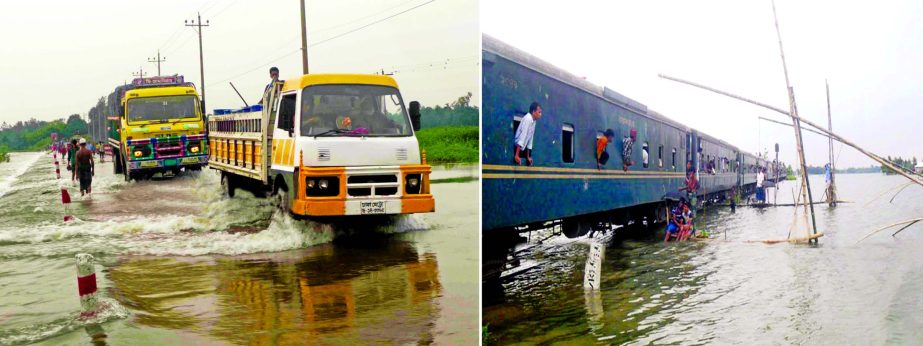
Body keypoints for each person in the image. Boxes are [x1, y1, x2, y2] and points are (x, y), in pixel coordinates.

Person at [513, 102, 541, 166]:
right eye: (539, 112)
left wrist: (528, 156)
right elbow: (522, 136)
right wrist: (516, 155)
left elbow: (530, 139)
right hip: (517, 147)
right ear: (533, 112)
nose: (540, 114)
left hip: (522, 148)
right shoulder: (528, 119)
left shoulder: (534, 121)